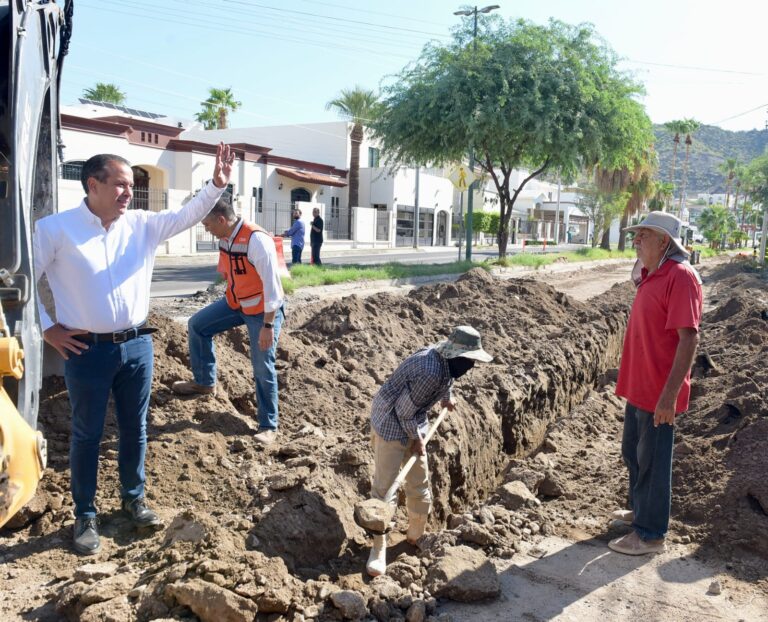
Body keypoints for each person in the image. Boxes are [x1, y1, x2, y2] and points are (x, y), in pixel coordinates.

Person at [34, 143, 234, 555]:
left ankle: (133, 498)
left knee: (135, 429)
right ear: (92, 185)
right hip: (85, 350)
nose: (129, 192)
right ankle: (85, 514)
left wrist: (215, 185)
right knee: (87, 435)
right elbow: (18, 282)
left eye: (131, 185)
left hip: (137, 346)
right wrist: (47, 328)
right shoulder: (55, 229)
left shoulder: (141, 225)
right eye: (121, 185)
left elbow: (186, 215)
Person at [609, 212, 703, 556]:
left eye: (643, 235)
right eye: (636, 235)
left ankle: (650, 535)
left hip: (658, 394)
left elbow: (688, 338)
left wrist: (669, 397)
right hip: (640, 387)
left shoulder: (680, 277)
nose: (636, 240)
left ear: (664, 241)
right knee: (633, 454)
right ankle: (639, 512)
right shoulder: (652, 275)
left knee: (652, 462)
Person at [366, 326, 493, 576]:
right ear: (456, 356)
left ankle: (416, 535)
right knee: (385, 490)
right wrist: (417, 439)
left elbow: (447, 378)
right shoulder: (429, 371)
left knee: (419, 483)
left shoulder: (445, 362)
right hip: (391, 425)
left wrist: (447, 396)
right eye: (470, 361)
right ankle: (378, 548)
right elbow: (403, 411)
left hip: (412, 421)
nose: (472, 367)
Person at [171, 196, 285, 447]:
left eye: (208, 224)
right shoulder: (225, 238)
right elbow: (230, 273)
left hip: (262, 310)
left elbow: (274, 291)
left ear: (222, 220)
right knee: (197, 325)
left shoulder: (257, 241)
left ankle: (268, 425)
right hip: (236, 303)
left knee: (261, 363)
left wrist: (267, 326)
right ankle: (204, 382)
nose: (206, 229)